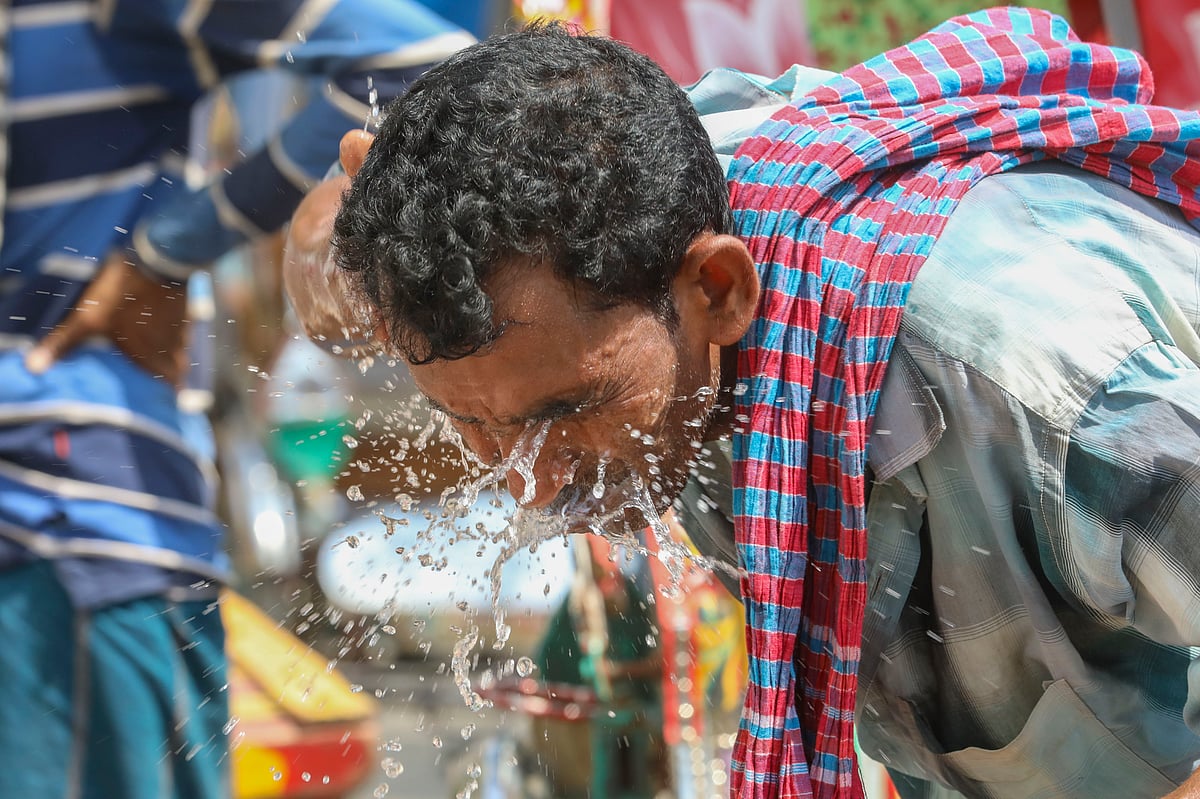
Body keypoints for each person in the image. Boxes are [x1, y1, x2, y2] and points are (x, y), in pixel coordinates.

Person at [289, 7, 1200, 799]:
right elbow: (338, 224)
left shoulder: (1052, 391)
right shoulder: (621, 208)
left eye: (566, 412)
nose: (533, 484)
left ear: (719, 290)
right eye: (471, 422)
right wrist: (334, 228)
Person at [0, 2, 475, 797]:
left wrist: (162, 255)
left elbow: (425, 70)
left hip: (61, 539)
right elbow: (423, 64)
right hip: (66, 522)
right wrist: (166, 253)